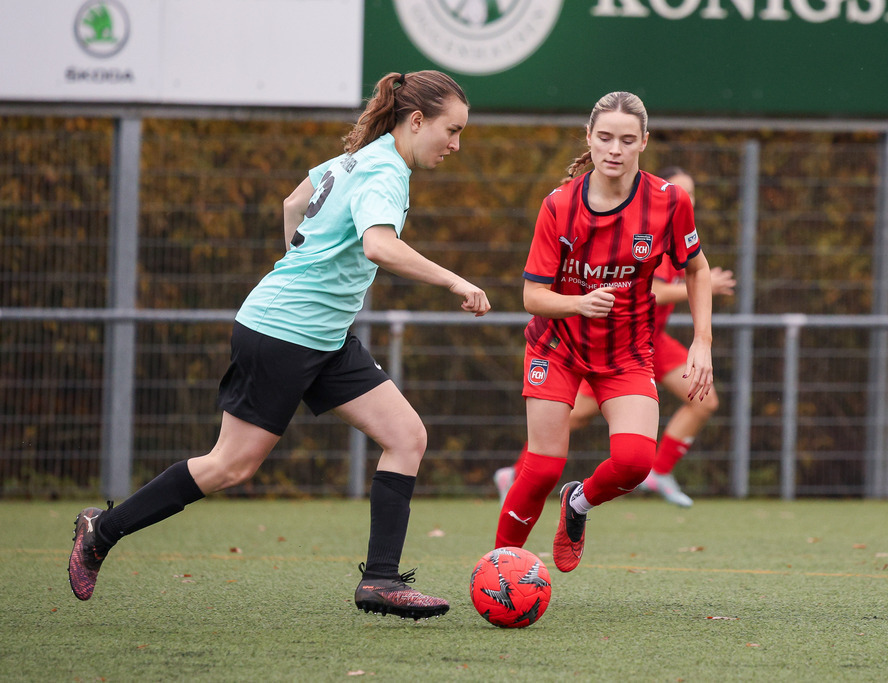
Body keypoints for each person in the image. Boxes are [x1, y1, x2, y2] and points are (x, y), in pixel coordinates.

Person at [68, 70, 490, 620]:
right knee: (229, 467)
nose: (455, 144)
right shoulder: (385, 168)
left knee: (407, 436)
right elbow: (380, 246)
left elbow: (293, 203)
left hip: (321, 335)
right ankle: (102, 531)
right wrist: (456, 280)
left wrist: (299, 267)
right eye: (451, 130)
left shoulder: (356, 159)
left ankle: (380, 581)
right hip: (282, 334)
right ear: (417, 121)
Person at [493, 92, 714, 573]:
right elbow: (532, 297)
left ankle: (578, 505)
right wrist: (578, 303)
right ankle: (498, 567)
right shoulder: (559, 205)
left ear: (644, 143)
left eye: (627, 139)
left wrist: (702, 341)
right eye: (606, 137)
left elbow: (696, 270)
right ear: (589, 138)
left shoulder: (669, 202)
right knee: (542, 467)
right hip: (557, 347)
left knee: (636, 463)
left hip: (628, 352)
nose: (615, 149)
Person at [493, 168, 734, 508]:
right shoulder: (642, 227)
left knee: (704, 399)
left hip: (652, 340)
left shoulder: (678, 233)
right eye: (683, 191)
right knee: (573, 415)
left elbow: (695, 272)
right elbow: (654, 291)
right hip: (616, 339)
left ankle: (659, 471)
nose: (688, 199)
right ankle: (516, 474)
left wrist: (702, 338)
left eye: (692, 193)